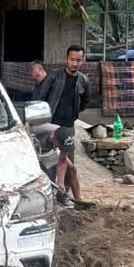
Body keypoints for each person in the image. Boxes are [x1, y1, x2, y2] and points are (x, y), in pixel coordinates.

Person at [33, 47, 90, 206]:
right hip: (50, 125)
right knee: (52, 163)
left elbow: (85, 102)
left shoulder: (84, 80)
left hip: (68, 127)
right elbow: (41, 98)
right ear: (67, 59)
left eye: (78, 60)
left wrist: (72, 114)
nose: (75, 63)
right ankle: (51, 198)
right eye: (72, 59)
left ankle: (67, 196)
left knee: (67, 162)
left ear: (82, 61)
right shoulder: (54, 76)